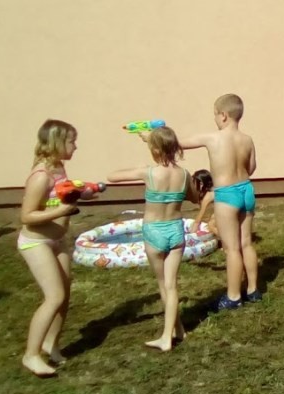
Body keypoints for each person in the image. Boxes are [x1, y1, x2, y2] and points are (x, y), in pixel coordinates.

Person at [108, 126, 194, 351]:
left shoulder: (148, 173)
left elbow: (112, 177)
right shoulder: (185, 174)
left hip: (154, 231)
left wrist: (139, 166)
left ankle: (166, 338)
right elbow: (194, 197)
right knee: (171, 286)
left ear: (155, 150)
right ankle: (178, 329)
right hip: (175, 230)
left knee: (163, 285)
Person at [175, 94, 259, 311]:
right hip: (246, 190)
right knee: (246, 243)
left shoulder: (212, 138)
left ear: (223, 115)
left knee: (231, 249)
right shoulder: (247, 139)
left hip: (227, 194)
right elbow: (251, 168)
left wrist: (153, 137)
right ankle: (253, 290)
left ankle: (233, 296)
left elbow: (178, 143)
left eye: (214, 114)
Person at [18, 119, 81, 377]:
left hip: (57, 239)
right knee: (54, 296)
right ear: (57, 142)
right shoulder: (41, 176)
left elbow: (58, 196)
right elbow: (26, 216)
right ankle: (30, 355)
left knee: (64, 295)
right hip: (36, 242)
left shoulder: (58, 168)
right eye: (72, 141)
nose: (75, 146)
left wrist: (80, 193)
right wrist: (62, 211)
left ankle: (50, 343)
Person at [188, 169, 218, 236]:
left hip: (222, 216)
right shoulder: (214, 190)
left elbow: (200, 215)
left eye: (194, 183)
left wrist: (192, 232)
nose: (193, 186)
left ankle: (228, 240)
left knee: (211, 225)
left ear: (201, 184)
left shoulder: (208, 196)